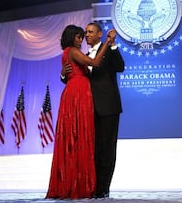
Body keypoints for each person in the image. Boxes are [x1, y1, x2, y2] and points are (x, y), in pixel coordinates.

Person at [46, 24, 116, 199]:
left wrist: (63, 74)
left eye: (83, 35)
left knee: (79, 137)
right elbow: (94, 63)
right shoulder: (72, 50)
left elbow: (72, 71)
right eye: (79, 36)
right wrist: (107, 42)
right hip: (77, 94)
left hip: (80, 93)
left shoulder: (72, 53)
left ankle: (78, 182)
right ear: (71, 37)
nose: (82, 38)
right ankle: (75, 184)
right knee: (76, 136)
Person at [61, 22, 125, 199]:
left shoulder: (108, 51)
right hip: (87, 109)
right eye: (85, 33)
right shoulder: (81, 54)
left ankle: (103, 189)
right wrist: (62, 74)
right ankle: (92, 186)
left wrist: (112, 45)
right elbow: (76, 78)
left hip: (107, 107)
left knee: (106, 150)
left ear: (99, 35)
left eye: (90, 32)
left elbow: (120, 67)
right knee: (91, 150)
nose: (86, 35)